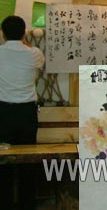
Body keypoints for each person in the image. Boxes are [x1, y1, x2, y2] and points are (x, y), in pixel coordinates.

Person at [0, 15, 44, 210]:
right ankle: (28, 204)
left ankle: (5, 203)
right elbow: (37, 64)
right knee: (28, 159)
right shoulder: (34, 53)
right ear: (24, 33)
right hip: (27, 113)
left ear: (3, 33)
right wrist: (23, 41)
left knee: (3, 160)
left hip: (3, 113)